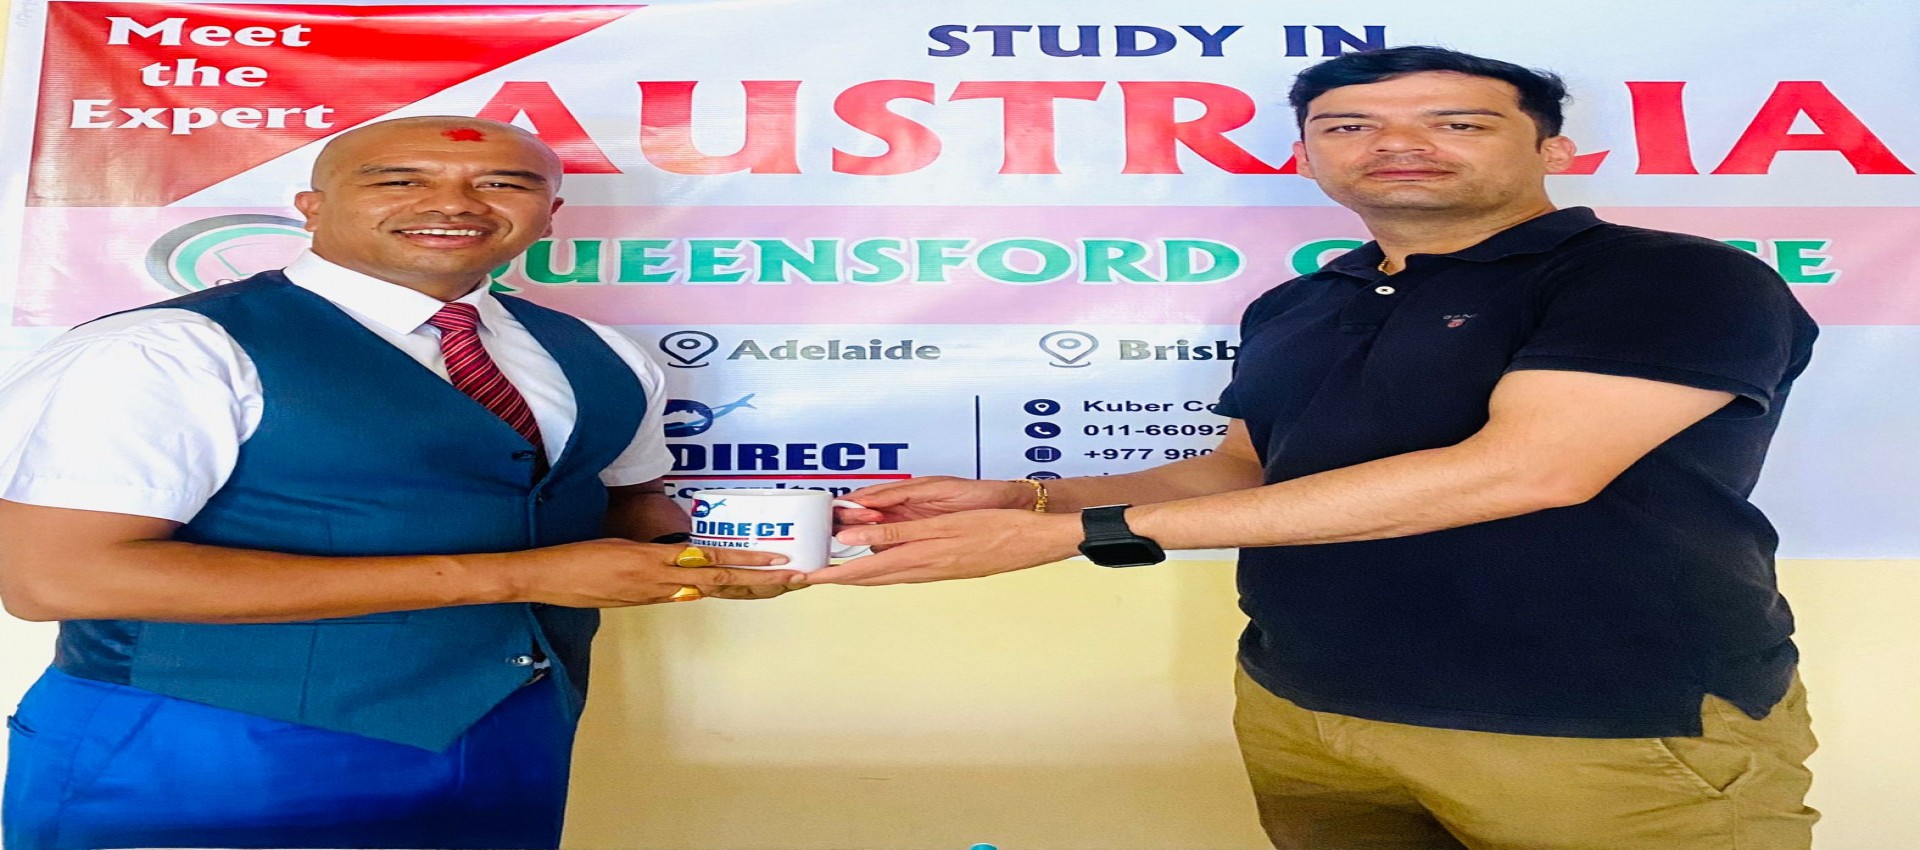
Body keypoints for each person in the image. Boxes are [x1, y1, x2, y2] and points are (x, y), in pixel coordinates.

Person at [819, 47, 1820, 850]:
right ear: (1306, 156)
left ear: (1554, 149)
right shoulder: (1300, 302)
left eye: (1457, 123)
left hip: (1604, 723)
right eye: (1350, 125)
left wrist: (1087, 534)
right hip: (1306, 711)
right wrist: (1027, 500)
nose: (1398, 143)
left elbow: (1531, 468)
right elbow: (1245, 470)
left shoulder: (1668, 279)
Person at [0, 116, 804, 850]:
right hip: (205, 742)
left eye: (503, 183)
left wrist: (729, 553)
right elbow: (55, 578)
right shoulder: (171, 349)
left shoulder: (601, 352)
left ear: (550, 215)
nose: (454, 203)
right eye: (398, 179)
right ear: (311, 207)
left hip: (511, 738)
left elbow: (628, 502)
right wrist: (521, 577)